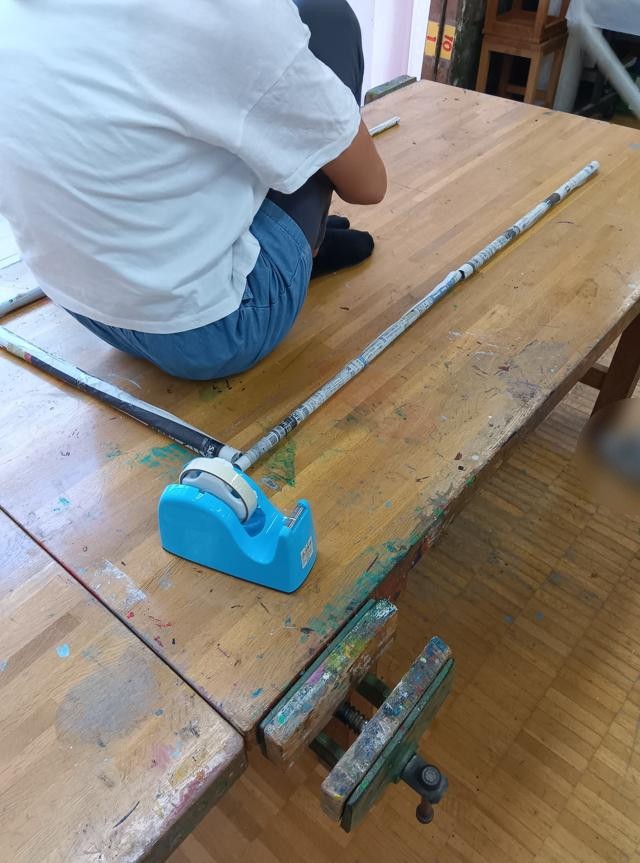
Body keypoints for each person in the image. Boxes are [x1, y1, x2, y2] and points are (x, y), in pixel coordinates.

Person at [0, 0, 387, 380]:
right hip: (214, 330)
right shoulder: (234, 12)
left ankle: (275, 243)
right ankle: (303, 254)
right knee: (328, 17)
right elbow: (368, 187)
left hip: (78, 301)